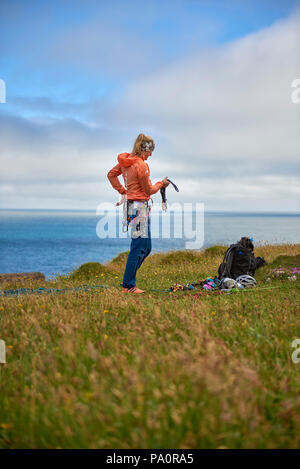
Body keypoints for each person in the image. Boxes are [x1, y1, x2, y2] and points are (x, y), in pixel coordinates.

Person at [107, 133, 169, 293]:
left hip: (133, 207)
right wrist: (161, 183)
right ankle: (128, 285)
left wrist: (123, 191)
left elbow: (111, 175)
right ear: (144, 150)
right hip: (139, 208)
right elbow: (149, 189)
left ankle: (128, 282)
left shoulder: (125, 161)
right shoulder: (141, 165)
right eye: (150, 151)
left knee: (146, 247)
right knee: (137, 247)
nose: (151, 154)